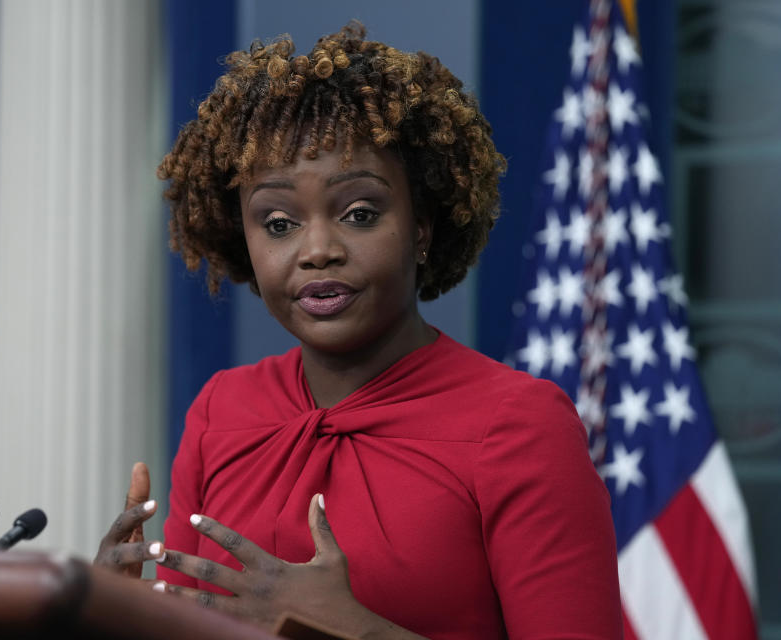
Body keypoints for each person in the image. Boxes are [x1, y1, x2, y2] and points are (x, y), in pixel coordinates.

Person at [95, 22, 622, 639]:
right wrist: (119, 614)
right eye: (278, 222)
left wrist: (354, 631)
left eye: (360, 214)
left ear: (421, 227)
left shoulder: (519, 424)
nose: (317, 250)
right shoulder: (221, 412)